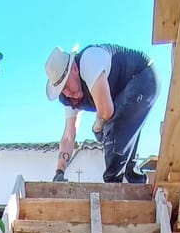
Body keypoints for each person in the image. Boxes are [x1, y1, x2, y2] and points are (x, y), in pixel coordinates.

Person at [44, 44, 160, 184]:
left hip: (143, 77)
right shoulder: (70, 98)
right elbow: (69, 137)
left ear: (74, 69)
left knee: (113, 132)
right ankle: (136, 183)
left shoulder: (89, 61)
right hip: (122, 96)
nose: (67, 93)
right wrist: (59, 171)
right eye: (62, 90)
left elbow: (106, 112)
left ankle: (113, 186)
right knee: (119, 140)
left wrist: (96, 126)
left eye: (67, 86)